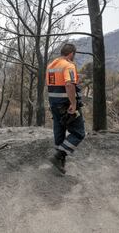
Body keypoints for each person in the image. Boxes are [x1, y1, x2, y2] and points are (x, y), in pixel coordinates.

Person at [46, 43, 85, 174]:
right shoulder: (69, 65)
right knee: (79, 133)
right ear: (71, 54)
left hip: (54, 103)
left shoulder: (51, 66)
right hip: (66, 105)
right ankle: (58, 156)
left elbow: (54, 85)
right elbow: (69, 85)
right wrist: (73, 105)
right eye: (74, 55)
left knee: (59, 129)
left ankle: (60, 163)